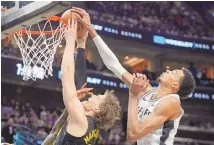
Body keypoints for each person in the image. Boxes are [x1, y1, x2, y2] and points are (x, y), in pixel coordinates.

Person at [72, 7, 196, 145]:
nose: (169, 70)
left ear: (175, 85)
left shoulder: (172, 102)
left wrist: (133, 95)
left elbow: (132, 135)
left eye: (174, 73)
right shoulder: (146, 91)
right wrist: (91, 30)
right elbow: (114, 65)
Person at [43, 18, 121, 145]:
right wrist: (81, 45)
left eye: (98, 97)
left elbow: (66, 75)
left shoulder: (81, 119)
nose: (93, 95)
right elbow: (55, 134)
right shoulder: (92, 128)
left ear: (97, 108)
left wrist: (69, 40)